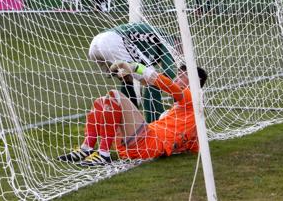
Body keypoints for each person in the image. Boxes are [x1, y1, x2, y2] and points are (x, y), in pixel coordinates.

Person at [57, 62, 208, 166]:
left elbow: (171, 87)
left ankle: (102, 153)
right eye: (178, 73)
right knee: (103, 101)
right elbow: (193, 144)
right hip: (134, 147)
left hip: (148, 142)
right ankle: (87, 148)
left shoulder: (194, 95)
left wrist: (138, 68)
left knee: (113, 96)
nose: (177, 77)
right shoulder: (187, 112)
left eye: (182, 75)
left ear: (195, 80)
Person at [87, 23, 179, 123]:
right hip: (113, 40)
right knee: (152, 81)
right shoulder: (168, 41)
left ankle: (130, 121)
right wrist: (178, 93)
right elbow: (169, 71)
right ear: (178, 42)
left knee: (126, 78)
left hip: (95, 45)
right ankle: (154, 124)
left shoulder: (153, 40)